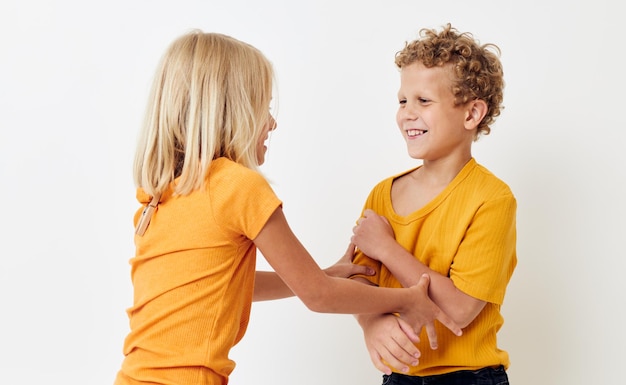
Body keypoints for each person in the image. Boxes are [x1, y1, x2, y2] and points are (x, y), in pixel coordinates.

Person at [113, 30, 462, 385]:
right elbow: (319, 296)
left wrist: (320, 274)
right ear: (234, 111)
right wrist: (407, 299)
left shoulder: (162, 193)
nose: (272, 123)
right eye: (263, 107)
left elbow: (226, 286)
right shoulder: (237, 186)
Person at [349, 24, 517, 385]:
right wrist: (371, 324)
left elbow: (458, 309)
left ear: (471, 114)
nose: (407, 113)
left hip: (470, 378)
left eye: (423, 101)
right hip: (399, 377)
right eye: (402, 101)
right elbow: (357, 284)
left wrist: (386, 248)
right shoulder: (382, 194)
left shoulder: (492, 199)